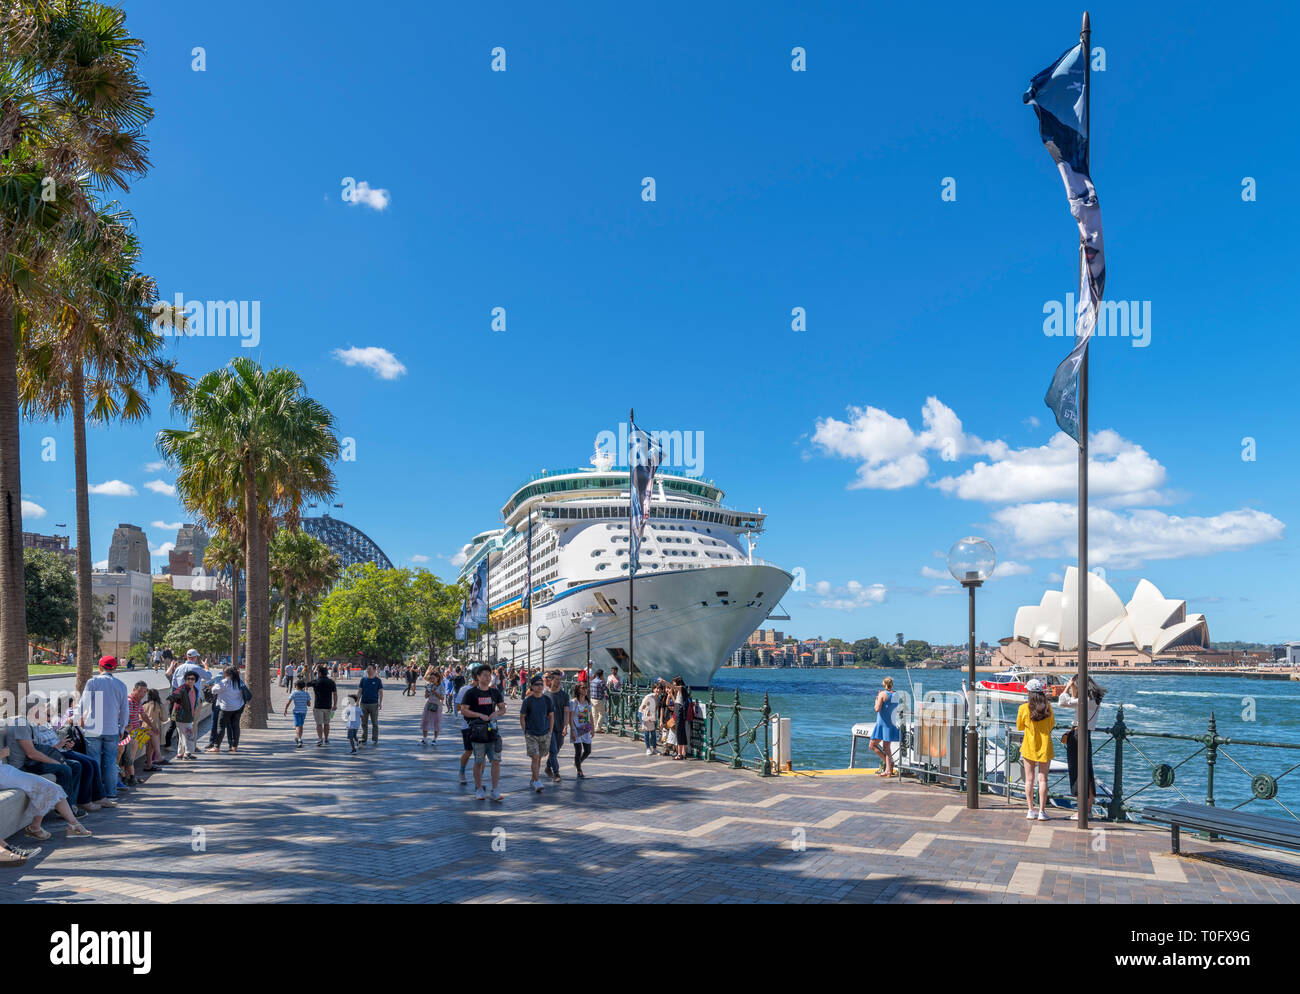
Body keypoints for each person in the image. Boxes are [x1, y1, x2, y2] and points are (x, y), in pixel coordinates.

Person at [0, 730, 92, 841]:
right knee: (50, 788)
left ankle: (71, 825)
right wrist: (2, 754)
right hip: (4, 775)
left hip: (6, 771)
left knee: (54, 788)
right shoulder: (19, 724)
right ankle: (38, 826)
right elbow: (31, 753)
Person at [4, 698, 81, 813]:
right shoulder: (21, 724)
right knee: (64, 769)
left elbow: (39, 749)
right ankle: (68, 809)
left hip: (32, 762)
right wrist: (54, 762)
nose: (44, 713)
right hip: (23, 766)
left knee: (75, 765)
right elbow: (31, 754)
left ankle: (71, 802)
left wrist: (58, 749)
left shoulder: (30, 723)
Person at [78, 655, 130, 796]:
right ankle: (111, 792)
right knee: (111, 761)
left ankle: (96, 793)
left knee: (94, 761)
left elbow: (83, 704)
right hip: (112, 729)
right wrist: (122, 728)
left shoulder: (93, 682)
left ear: (100, 667)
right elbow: (125, 710)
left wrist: (78, 719)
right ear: (114, 668)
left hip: (93, 728)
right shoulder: (121, 685)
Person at [1059, 675, 1106, 819]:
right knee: (1087, 772)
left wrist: (1067, 686)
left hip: (1077, 736)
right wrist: (1074, 689)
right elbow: (1073, 701)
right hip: (1086, 735)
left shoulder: (1084, 701)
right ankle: (1088, 811)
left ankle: (1081, 812)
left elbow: (1062, 702)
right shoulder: (1094, 700)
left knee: (1077, 773)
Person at [459, 664, 506, 801]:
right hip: (478, 731)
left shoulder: (494, 692)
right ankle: (478, 789)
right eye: (484, 675)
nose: (487, 677)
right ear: (478, 677)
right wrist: (479, 715)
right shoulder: (471, 693)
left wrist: (496, 713)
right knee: (479, 761)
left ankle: (495, 790)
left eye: (489, 674)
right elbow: (464, 710)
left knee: (495, 761)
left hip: (492, 731)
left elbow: (503, 708)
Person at [1017, 680, 1056, 821]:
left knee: (1029, 779)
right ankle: (1042, 811)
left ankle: (1030, 810)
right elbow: (1052, 724)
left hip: (1029, 746)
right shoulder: (1048, 708)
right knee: (1043, 779)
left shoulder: (1023, 708)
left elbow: (1020, 726)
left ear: (1029, 692)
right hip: (1045, 746)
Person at [518, 675, 554, 792]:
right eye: (537, 685)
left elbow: (551, 716)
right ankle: (537, 781)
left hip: (544, 733)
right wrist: (525, 731)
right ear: (532, 687)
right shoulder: (527, 701)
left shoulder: (547, 700)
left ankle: (534, 778)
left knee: (538, 759)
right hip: (531, 734)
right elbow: (522, 717)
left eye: (541, 684)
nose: (539, 687)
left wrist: (550, 732)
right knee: (535, 757)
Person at [206, 666, 248, 753]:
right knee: (235, 726)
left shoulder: (224, 682)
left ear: (226, 673)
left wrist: (214, 686)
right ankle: (234, 746)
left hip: (225, 708)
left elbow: (214, 690)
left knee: (220, 727)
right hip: (237, 708)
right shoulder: (239, 682)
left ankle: (216, 747)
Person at [868, 676, 900, 777]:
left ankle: (889, 764)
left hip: (882, 723)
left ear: (884, 684)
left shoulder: (882, 694)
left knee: (872, 745)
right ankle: (888, 770)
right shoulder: (896, 694)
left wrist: (876, 699)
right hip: (891, 723)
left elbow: (877, 709)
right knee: (887, 747)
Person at [167, 671, 202, 760]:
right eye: (188, 679)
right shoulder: (182, 689)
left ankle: (180, 753)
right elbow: (175, 695)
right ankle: (187, 753)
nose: (190, 681)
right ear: (185, 679)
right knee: (189, 734)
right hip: (181, 715)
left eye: (192, 679)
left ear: (195, 680)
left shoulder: (195, 689)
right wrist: (168, 700)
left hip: (188, 715)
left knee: (182, 734)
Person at [543, 670, 571, 784]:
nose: (559, 681)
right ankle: (556, 773)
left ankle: (547, 766)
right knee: (553, 750)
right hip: (549, 728)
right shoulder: (545, 696)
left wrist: (565, 726)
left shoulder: (564, 695)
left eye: (560, 679)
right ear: (551, 680)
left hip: (560, 726)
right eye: (556, 679)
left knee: (557, 748)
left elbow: (566, 712)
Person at [309, 665, 337, 747]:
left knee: (319, 724)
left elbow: (307, 684)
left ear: (320, 673)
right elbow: (335, 694)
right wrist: (335, 704)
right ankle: (326, 738)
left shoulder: (316, 682)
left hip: (318, 706)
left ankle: (320, 739)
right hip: (328, 706)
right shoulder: (331, 682)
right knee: (327, 723)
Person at [570, 679, 593, 778]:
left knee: (588, 750)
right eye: (583, 688)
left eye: (586, 688)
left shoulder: (588, 701)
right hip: (576, 729)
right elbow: (570, 718)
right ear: (578, 689)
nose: (585, 690)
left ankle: (578, 762)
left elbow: (590, 715)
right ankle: (579, 770)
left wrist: (592, 727)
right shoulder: (574, 702)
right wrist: (572, 731)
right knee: (578, 751)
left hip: (585, 729)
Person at [358, 664, 383, 745]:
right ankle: (363, 738)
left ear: (374, 670)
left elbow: (381, 692)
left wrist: (380, 702)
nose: (368, 670)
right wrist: (357, 701)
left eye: (370, 669)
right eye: (367, 669)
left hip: (374, 704)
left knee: (374, 723)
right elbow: (360, 691)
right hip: (363, 703)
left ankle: (375, 738)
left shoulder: (378, 680)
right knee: (363, 723)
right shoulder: (363, 680)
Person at [284, 679, 311, 748]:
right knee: (301, 725)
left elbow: (289, 702)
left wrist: (285, 709)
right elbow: (309, 704)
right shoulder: (306, 693)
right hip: (304, 711)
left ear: (297, 686)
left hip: (296, 711)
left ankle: (299, 739)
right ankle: (299, 738)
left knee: (297, 726)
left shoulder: (294, 693)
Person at [671, 677, 693, 760]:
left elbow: (671, 686)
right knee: (682, 732)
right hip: (679, 711)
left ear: (677, 683)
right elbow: (676, 702)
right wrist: (671, 695)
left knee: (679, 732)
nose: (673, 684)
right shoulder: (681, 690)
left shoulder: (680, 688)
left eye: (674, 682)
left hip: (679, 712)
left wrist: (663, 681)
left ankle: (679, 754)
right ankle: (683, 752)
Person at [421, 670, 444, 745]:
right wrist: (426, 691)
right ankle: (424, 739)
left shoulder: (441, 686)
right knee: (425, 721)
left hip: (437, 705)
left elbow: (442, 698)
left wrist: (435, 693)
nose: (432, 680)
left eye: (433, 678)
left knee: (436, 722)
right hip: (429, 704)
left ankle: (435, 739)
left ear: (437, 678)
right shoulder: (429, 685)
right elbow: (426, 697)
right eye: (431, 678)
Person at [638, 684, 660, 756]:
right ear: (653, 689)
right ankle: (648, 748)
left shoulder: (658, 698)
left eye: (660, 689)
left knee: (653, 732)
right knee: (646, 732)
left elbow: (656, 708)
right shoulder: (649, 696)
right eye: (657, 688)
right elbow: (643, 707)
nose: (658, 690)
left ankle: (654, 748)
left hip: (651, 715)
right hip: (643, 713)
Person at [590, 669, 608, 733]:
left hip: (592, 699)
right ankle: (598, 728)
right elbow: (606, 689)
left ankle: (595, 727)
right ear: (601, 675)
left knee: (594, 714)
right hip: (599, 700)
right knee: (602, 714)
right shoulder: (600, 681)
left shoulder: (592, 681)